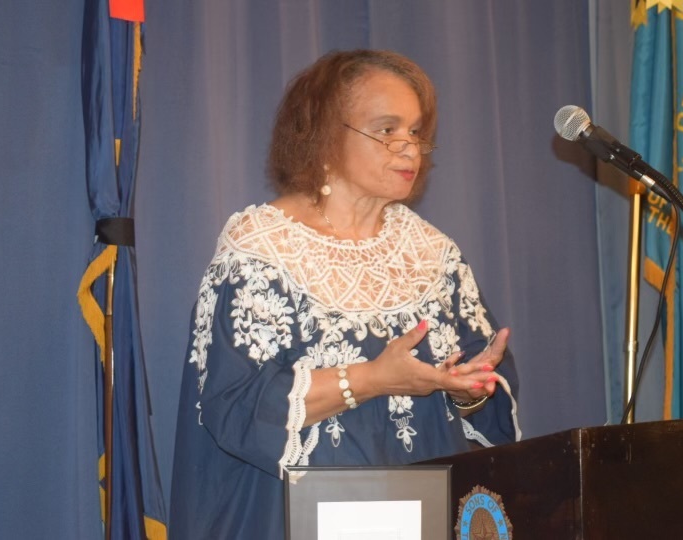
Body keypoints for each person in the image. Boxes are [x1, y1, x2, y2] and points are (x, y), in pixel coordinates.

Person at [169, 49, 520, 539]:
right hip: (299, 519)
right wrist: (372, 379)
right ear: (325, 134)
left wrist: (468, 391)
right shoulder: (262, 249)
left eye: (416, 131)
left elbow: (482, 392)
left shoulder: (431, 251)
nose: (410, 149)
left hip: (423, 516)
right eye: (387, 129)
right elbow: (236, 404)